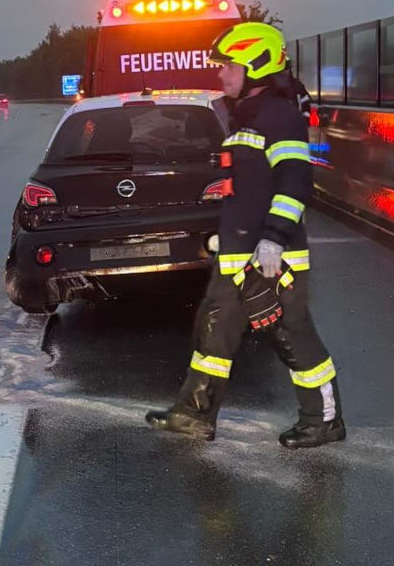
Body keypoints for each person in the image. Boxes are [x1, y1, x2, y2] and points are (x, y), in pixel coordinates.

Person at [145, 22, 345, 448]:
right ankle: (194, 414)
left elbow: (295, 181)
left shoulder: (279, 116)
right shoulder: (246, 117)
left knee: (292, 335)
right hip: (239, 255)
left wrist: (274, 239)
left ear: (255, 65)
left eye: (228, 66)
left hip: (273, 258)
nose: (221, 74)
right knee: (214, 331)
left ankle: (324, 420)